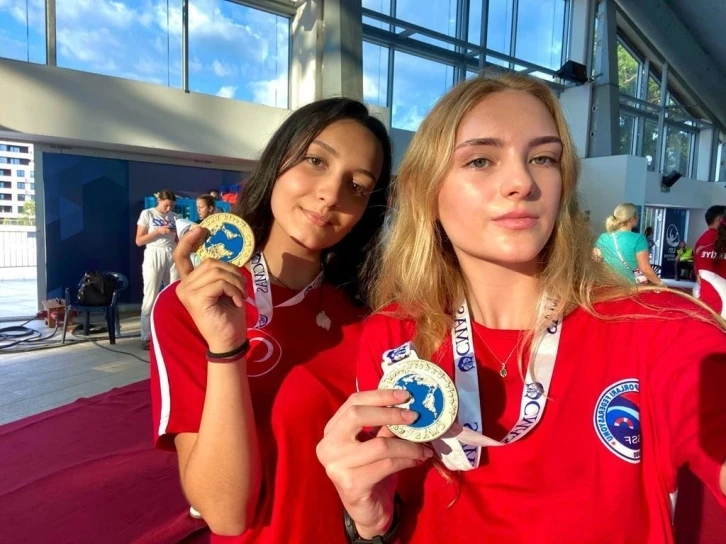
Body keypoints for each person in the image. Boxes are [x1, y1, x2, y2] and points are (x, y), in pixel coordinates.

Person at [317, 74, 726, 543]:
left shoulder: (660, 329)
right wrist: (370, 524)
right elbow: (396, 513)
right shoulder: (394, 334)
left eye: (543, 159)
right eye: (480, 160)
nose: (522, 182)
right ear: (426, 191)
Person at [149, 98, 392, 542]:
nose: (331, 194)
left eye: (357, 185)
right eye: (316, 161)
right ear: (278, 161)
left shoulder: (370, 316)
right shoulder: (192, 304)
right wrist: (225, 348)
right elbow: (224, 515)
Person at [135, 189, 178, 350]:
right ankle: (146, 336)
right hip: (154, 252)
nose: (168, 209)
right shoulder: (148, 214)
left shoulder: (175, 217)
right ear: (159, 200)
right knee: (151, 294)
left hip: (172, 252)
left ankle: (170, 333)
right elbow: (139, 240)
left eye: (171, 206)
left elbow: (179, 239)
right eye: (166, 205)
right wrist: (157, 232)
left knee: (173, 294)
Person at [594, 203, 663, 285]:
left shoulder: (603, 237)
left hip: (605, 284)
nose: (638, 218)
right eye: (637, 215)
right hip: (627, 285)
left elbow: (595, 260)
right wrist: (660, 283)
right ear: (632, 219)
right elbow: (645, 269)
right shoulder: (639, 239)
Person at [694, 205, 726, 315]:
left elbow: (698, 275)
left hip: (705, 299)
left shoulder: (701, 241)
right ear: (719, 219)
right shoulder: (720, 241)